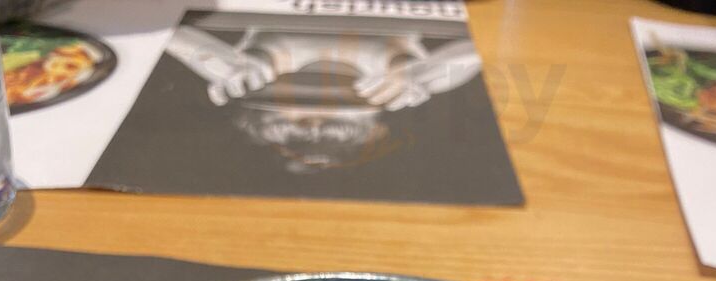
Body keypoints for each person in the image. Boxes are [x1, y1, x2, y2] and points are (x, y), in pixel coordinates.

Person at [166, 24, 482, 174]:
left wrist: (210, 57)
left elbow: (159, 26)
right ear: (374, 120)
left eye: (296, 133)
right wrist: (424, 74)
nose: (315, 125)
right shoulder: (399, 73)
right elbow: (483, 48)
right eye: (334, 132)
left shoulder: (256, 67)